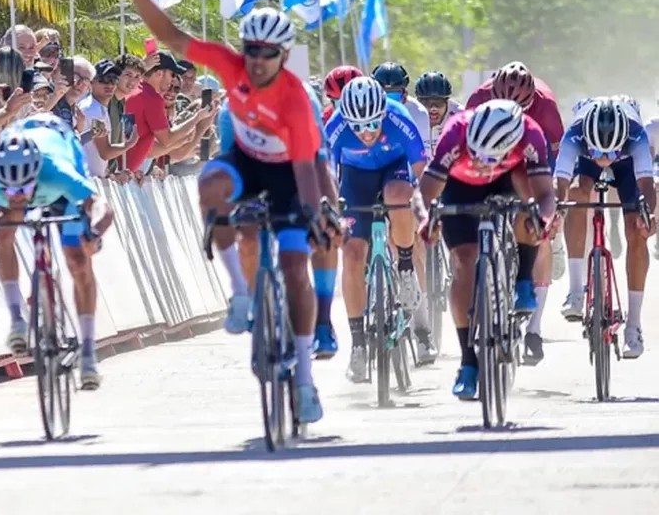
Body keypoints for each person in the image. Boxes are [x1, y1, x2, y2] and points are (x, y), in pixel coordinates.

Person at [126, 0, 330, 424]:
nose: (257, 62)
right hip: (244, 160)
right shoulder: (228, 64)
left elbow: (305, 170)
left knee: (296, 267)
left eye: (268, 54)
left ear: (283, 55)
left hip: (285, 172)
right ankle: (240, 291)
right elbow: (171, 37)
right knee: (210, 186)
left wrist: (312, 212)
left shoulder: (297, 101)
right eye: (251, 51)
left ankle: (303, 376)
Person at [0, 114, 115, 390]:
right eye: (10, 189)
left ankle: (89, 353)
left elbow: (100, 205)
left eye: (25, 188)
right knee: (1, 232)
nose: (17, 196)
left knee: (78, 259)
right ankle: (17, 319)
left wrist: (94, 234)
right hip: (21, 146)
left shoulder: (57, 169)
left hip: (59, 163)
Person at [417, 99, 556, 398]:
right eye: (477, 153)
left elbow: (546, 195)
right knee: (464, 263)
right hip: (460, 186)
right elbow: (425, 193)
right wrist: (426, 220)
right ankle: (468, 363)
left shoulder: (531, 135)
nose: (483, 162)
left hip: (511, 179)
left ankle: (522, 280)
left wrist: (543, 220)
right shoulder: (454, 133)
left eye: (490, 156)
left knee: (530, 211)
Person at [218, 77, 342, 358]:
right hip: (253, 176)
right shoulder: (230, 110)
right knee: (247, 237)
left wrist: (328, 210)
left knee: (320, 232)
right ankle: (254, 299)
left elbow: (319, 166)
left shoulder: (303, 102)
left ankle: (322, 321)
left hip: (298, 171)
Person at [325, 77, 433, 379]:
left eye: (373, 124)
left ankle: (407, 269)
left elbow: (422, 176)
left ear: (383, 114)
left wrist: (424, 211)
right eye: (357, 127)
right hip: (355, 177)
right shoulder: (335, 128)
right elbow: (326, 178)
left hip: (394, 169)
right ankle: (358, 344)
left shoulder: (399, 117)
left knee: (399, 197)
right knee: (353, 254)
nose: (367, 132)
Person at [467, 61, 564, 356]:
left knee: (536, 223)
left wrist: (553, 206)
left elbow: (557, 163)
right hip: (489, 154)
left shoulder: (545, 107)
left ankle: (533, 327)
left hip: (531, 154)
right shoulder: (477, 100)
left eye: (521, 107)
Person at [555, 99, 656, 359]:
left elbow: (646, 184)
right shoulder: (574, 135)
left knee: (637, 230)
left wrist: (649, 216)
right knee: (576, 194)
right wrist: (557, 210)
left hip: (627, 165)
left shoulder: (636, 136)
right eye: (598, 153)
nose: (604, 159)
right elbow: (561, 182)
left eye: (610, 154)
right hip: (583, 160)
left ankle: (633, 326)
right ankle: (576, 290)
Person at [124, 52, 210, 173]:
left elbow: (135, 139)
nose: (173, 79)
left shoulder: (133, 91)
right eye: (172, 74)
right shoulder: (152, 99)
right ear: (159, 73)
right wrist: (197, 118)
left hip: (125, 171)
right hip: (125, 175)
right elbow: (167, 140)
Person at [79, 60, 140, 178]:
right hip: (87, 179)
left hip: (92, 178)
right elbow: (105, 152)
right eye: (104, 80)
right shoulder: (92, 109)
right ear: (92, 83)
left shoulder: (99, 108)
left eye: (114, 80)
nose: (110, 85)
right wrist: (129, 144)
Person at [373, 62, 430, 150]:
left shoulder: (419, 113)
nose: (389, 102)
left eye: (394, 95)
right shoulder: (363, 108)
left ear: (405, 95)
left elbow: (423, 155)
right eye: (383, 95)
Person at [414, 71, 463, 153]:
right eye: (427, 103)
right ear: (418, 101)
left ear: (447, 101)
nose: (433, 108)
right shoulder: (409, 113)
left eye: (439, 103)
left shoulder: (460, 117)